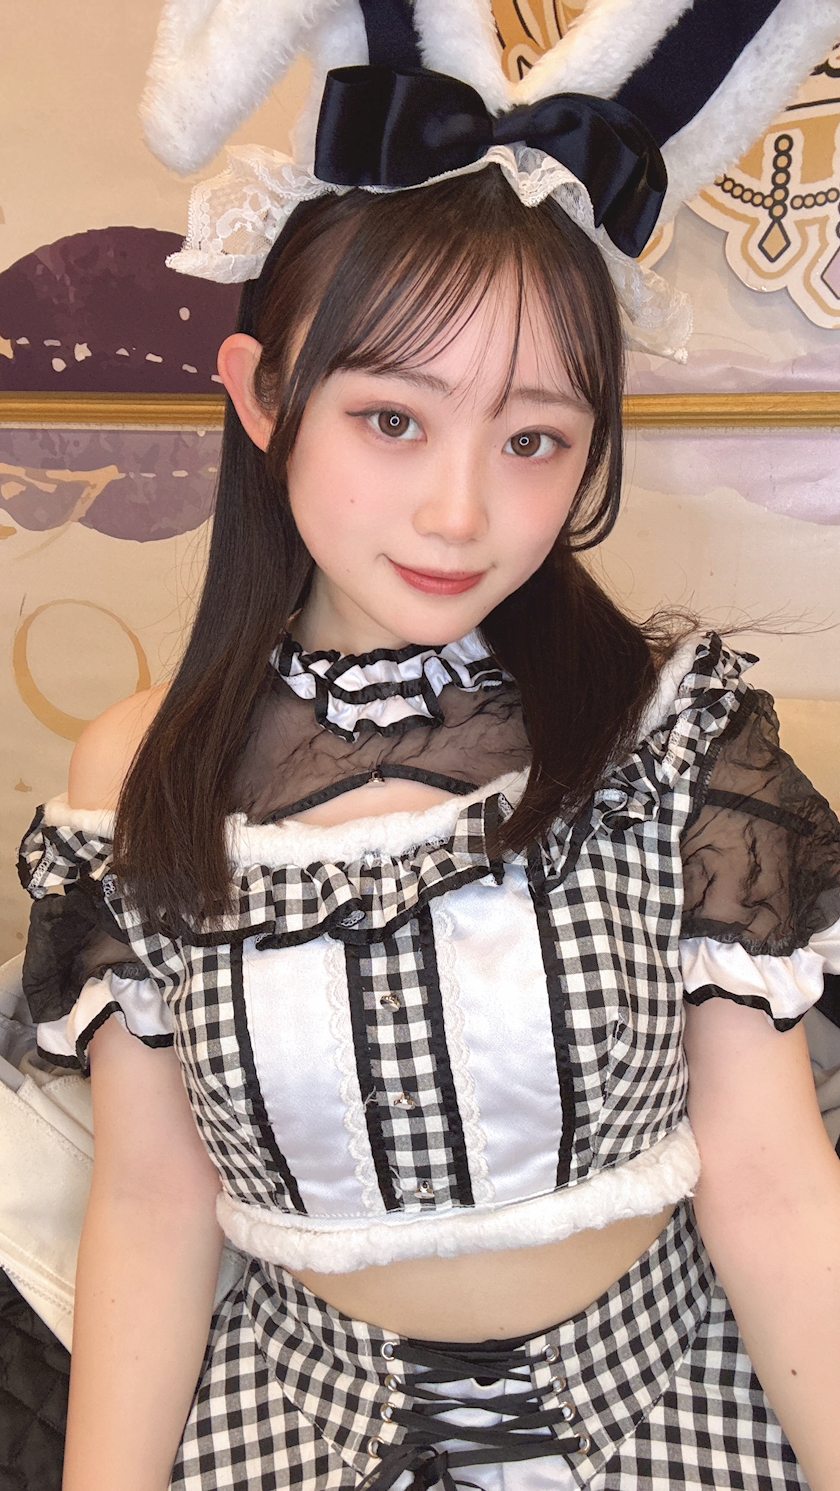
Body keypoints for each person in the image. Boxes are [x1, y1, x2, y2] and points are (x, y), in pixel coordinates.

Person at [15, 4, 840, 1488]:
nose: (460, 513)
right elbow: (152, 1205)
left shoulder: (673, 739)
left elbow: (774, 1186)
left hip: (674, 1412)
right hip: (292, 1429)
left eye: (533, 440)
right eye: (393, 419)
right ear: (264, 395)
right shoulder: (138, 779)